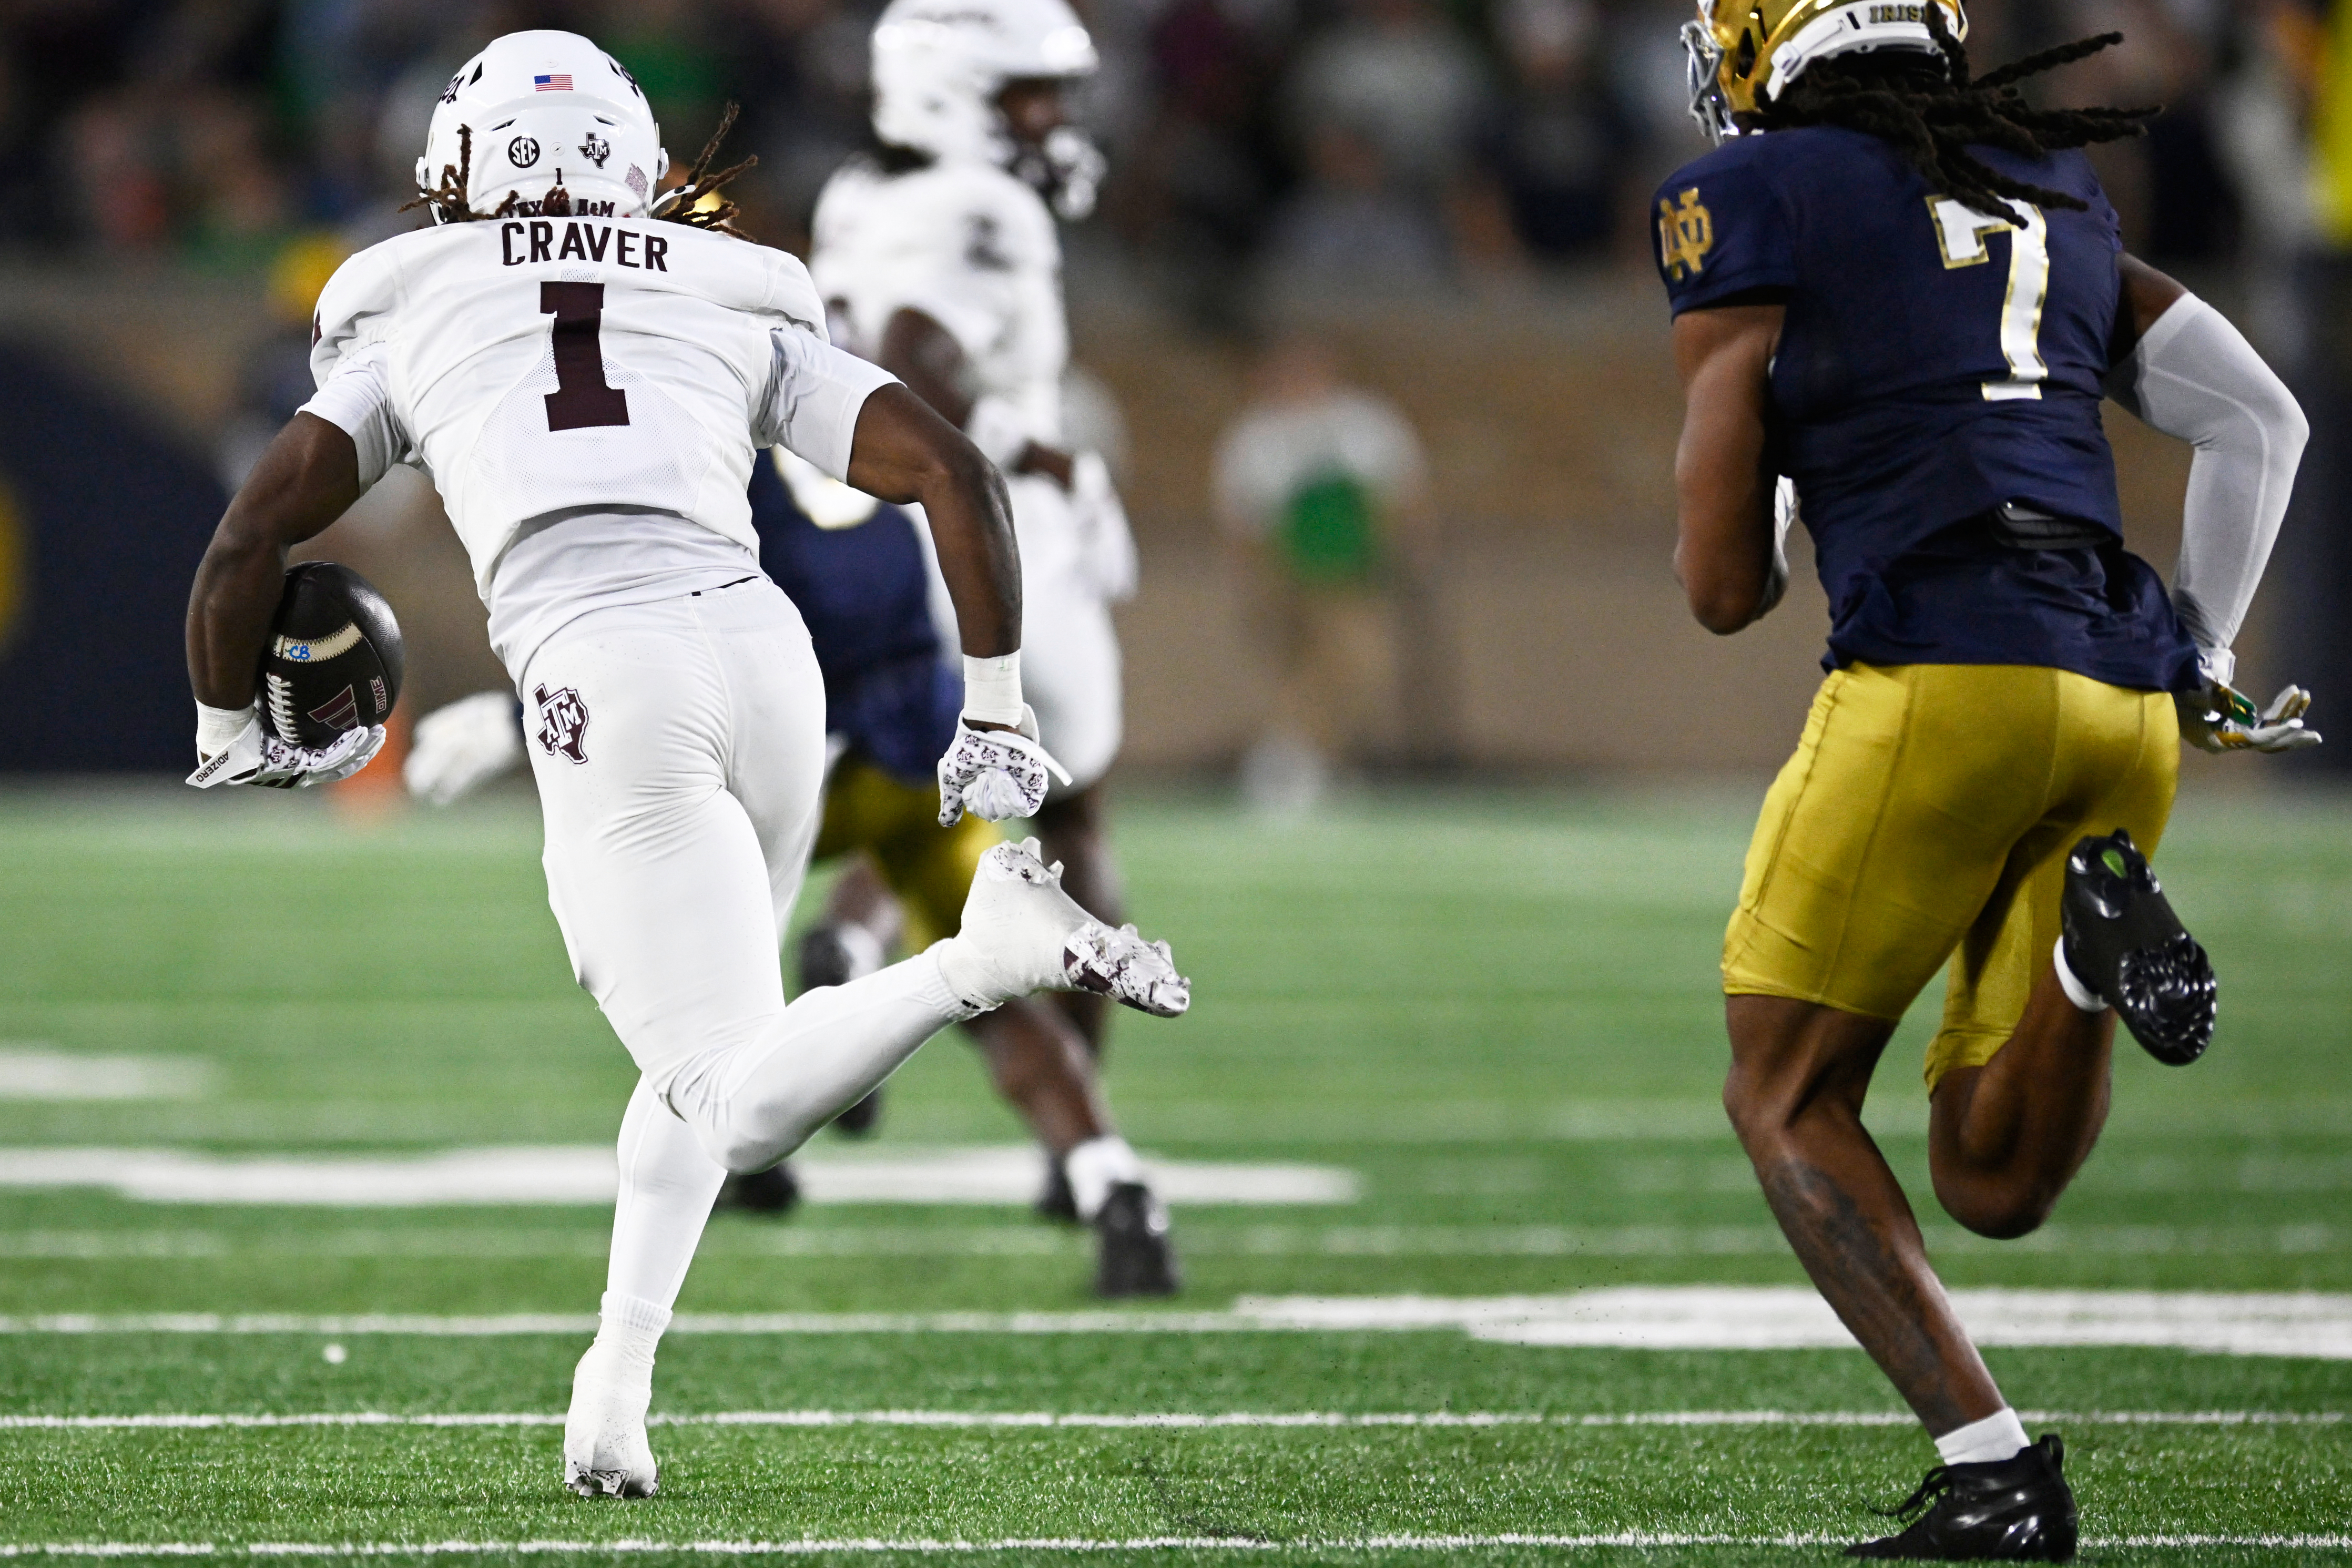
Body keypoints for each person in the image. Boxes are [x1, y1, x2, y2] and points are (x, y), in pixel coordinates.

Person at [182, 30, 1188, 1501]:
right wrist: (993, 711)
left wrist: (224, 729)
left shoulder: (411, 303)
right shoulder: (725, 289)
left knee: (737, 1085)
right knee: (711, 1047)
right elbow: (948, 473)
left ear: (466, 167)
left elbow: (248, 538)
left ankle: (976, 958)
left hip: (608, 666)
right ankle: (617, 1377)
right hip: (762, 655)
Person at [1661, 1, 2318, 1556]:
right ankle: (2092, 969)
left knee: (1785, 1090)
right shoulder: (2050, 182)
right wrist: (2209, 658)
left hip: (1942, 678)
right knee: (1991, 1173)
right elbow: (2260, 418)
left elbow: (1719, 590)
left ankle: (1998, 1471)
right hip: (2122, 690)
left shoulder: (1751, 195)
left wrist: (1774, 493)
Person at [404, 447, 1182, 1296]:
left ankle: (777, 1111)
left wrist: (516, 718)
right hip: (920, 767)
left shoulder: (717, 480)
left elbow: (657, 641)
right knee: (993, 979)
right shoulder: (872, 461)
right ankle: (1114, 1185)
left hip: (806, 766)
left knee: (696, 994)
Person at [806, 0, 1142, 1132]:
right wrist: (1033, 446)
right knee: (1074, 814)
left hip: (886, 542)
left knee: (920, 798)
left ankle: (850, 945)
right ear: (952, 92)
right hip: (1005, 543)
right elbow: (912, 364)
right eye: (1026, 96)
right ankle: (1081, 1138)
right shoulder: (983, 205)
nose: (1050, 121)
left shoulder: (853, 196)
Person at [1212, 336, 1426, 812]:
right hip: (1287, 573)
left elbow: (1399, 494)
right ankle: (1308, 768)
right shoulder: (1257, 433)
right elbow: (1241, 517)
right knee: (1300, 672)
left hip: (1350, 575)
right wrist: (1254, 582)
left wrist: (1401, 554)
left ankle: (1288, 764)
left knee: (1358, 666)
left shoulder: (1363, 423)